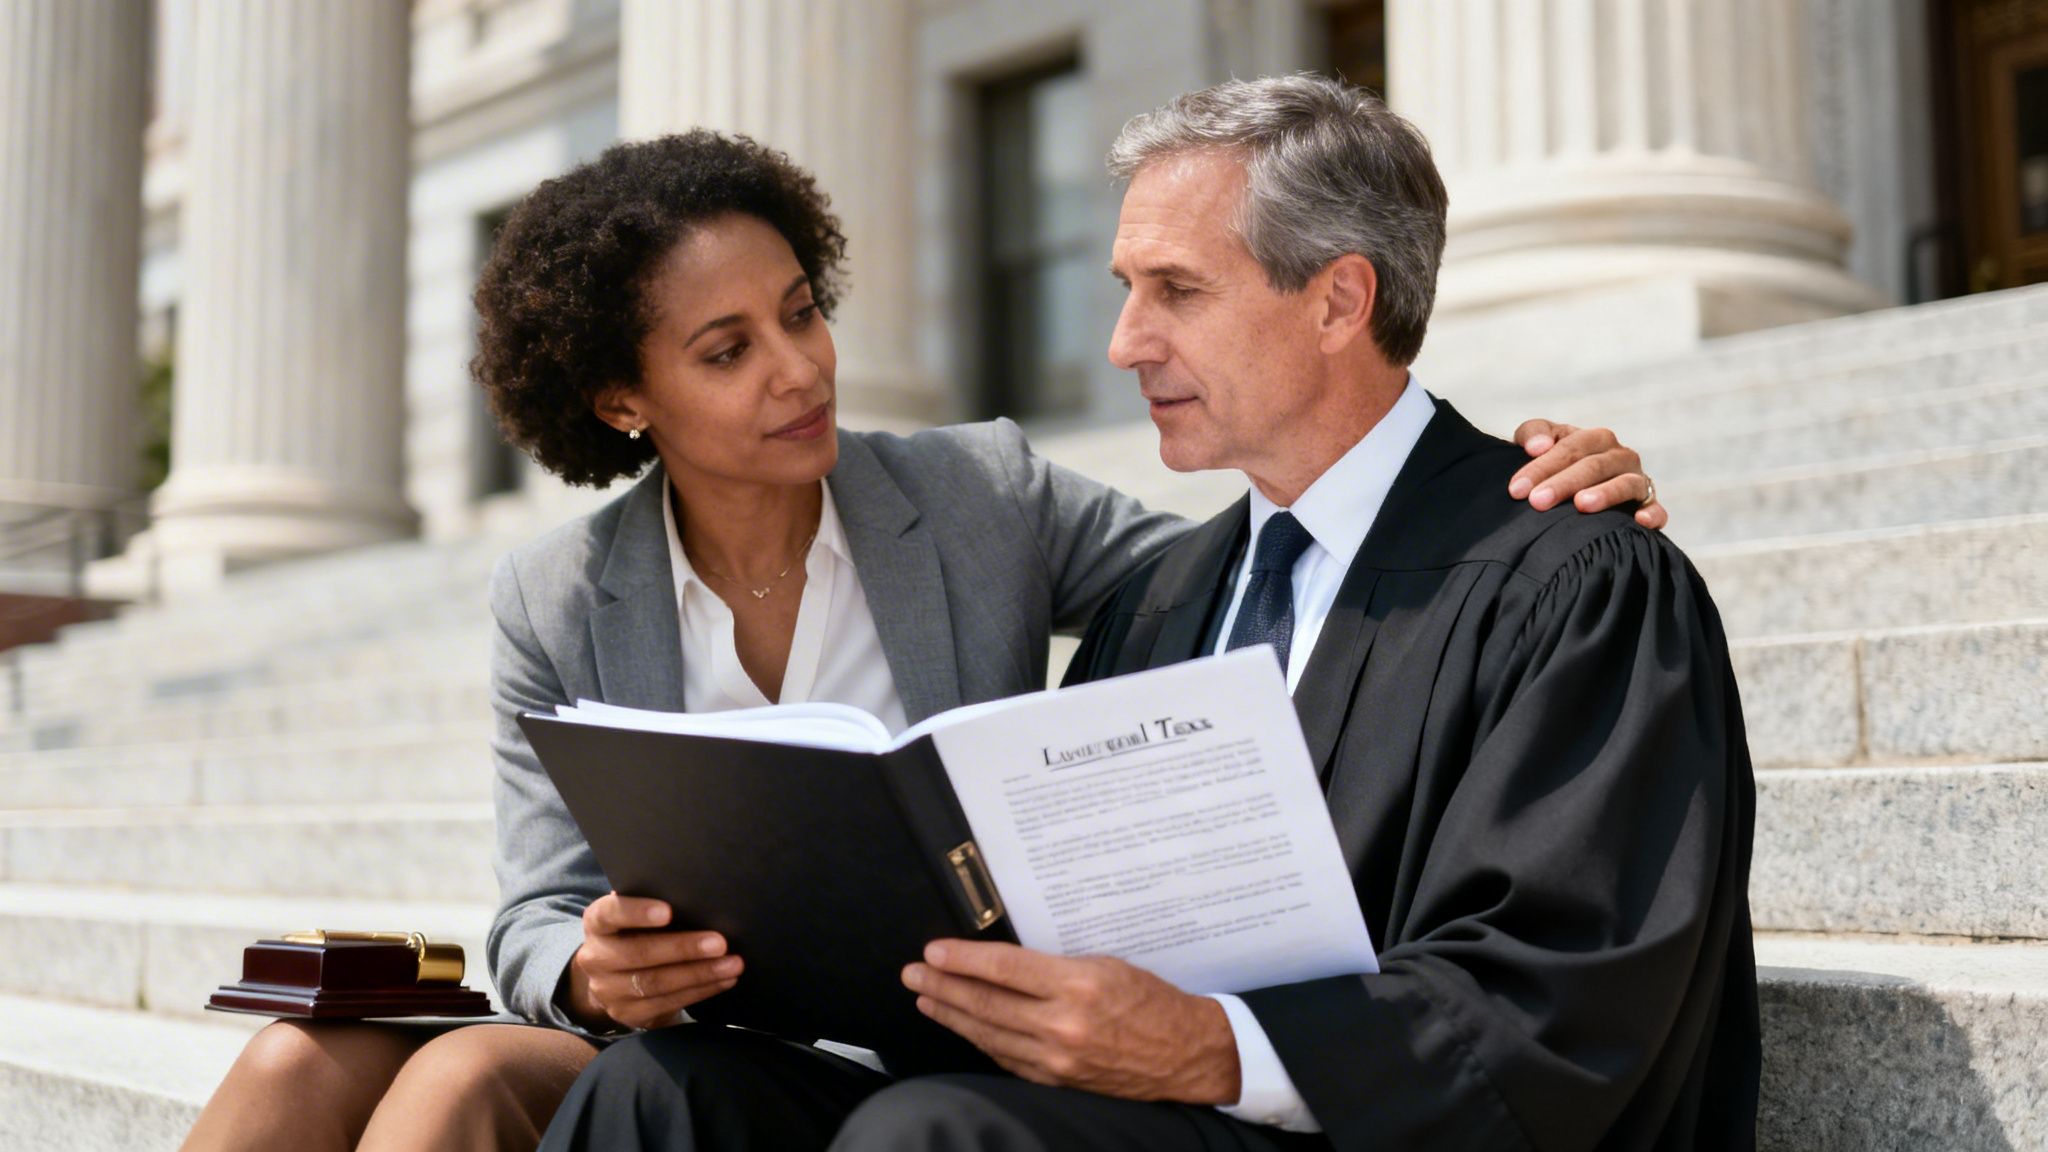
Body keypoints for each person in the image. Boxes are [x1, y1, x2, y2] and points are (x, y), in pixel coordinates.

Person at [179, 128, 1660, 1151]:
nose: (799, 368)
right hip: (717, 1037)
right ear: (624, 402)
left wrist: (1506, 485)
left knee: (446, 1101)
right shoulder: (561, 597)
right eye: (726, 350)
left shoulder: (976, 497)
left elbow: (1266, 570)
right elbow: (534, 908)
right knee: (317, 1061)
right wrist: (589, 971)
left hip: (953, 1041)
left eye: (801, 313)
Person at [541, 78, 1756, 1152]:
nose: (1123, 343)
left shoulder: (1570, 584)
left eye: (1174, 290)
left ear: (1338, 302)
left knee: (935, 1133)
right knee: (665, 1096)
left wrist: (1212, 1048)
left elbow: (1558, 1000)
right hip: (1112, 1103)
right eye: (1126, 289)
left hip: (1350, 1119)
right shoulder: (1174, 594)